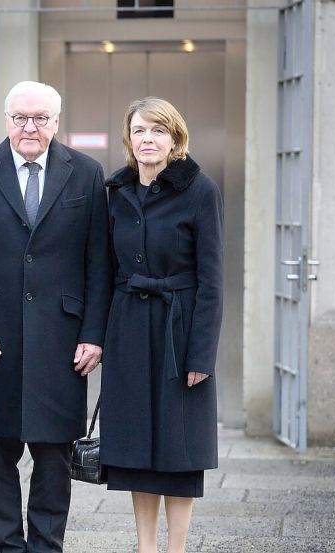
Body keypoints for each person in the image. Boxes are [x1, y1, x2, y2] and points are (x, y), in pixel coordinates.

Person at [0, 81, 113, 552]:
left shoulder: (86, 173)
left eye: (40, 118)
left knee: (54, 463)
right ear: (7, 120)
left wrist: (94, 334)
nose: (30, 127)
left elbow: (100, 261)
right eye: (20, 118)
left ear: (56, 122)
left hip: (63, 342)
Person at [101, 96, 223, 553]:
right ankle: (146, 547)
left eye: (157, 130)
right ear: (129, 139)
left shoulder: (200, 190)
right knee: (136, 448)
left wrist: (201, 355)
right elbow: (106, 270)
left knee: (179, 448)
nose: (147, 139)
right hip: (129, 327)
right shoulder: (117, 191)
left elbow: (212, 280)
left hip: (180, 328)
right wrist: (100, 336)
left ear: (175, 138)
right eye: (139, 130)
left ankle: (177, 548)